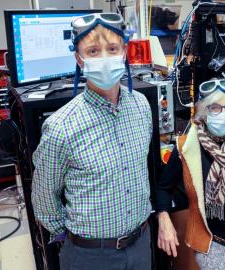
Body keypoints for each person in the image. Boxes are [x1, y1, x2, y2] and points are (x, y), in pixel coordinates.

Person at [31, 13, 153, 270]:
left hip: (141, 243)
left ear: (124, 53)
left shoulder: (142, 107)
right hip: (90, 255)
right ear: (79, 59)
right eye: (93, 51)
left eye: (112, 49)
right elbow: (43, 198)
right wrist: (76, 238)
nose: (105, 58)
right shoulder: (60, 127)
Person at [155, 78, 225, 270]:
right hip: (210, 244)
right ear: (204, 112)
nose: (223, 114)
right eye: (215, 108)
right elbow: (163, 188)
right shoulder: (186, 146)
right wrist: (163, 217)